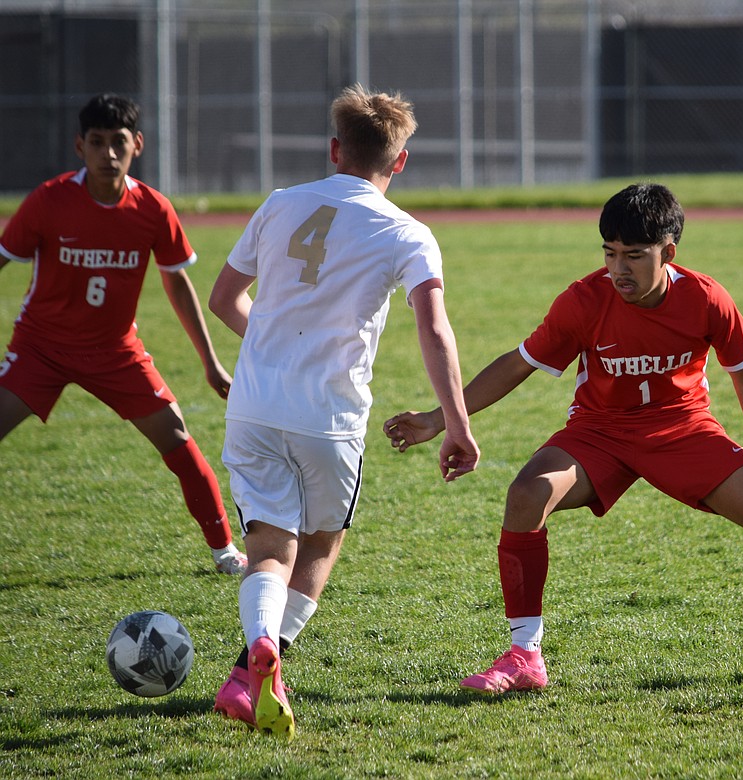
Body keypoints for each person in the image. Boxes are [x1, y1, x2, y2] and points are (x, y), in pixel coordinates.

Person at [385, 182, 743, 693]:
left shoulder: (705, 297)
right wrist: (439, 419)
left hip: (684, 431)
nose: (618, 269)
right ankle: (525, 656)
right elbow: (518, 364)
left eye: (633, 255)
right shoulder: (585, 300)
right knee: (526, 495)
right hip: (600, 433)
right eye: (610, 253)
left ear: (669, 252)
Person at [208, 84, 480, 738]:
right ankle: (253, 668)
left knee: (268, 547)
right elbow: (435, 331)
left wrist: (274, 350)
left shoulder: (279, 205)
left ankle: (254, 660)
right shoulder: (407, 233)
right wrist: (458, 425)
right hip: (328, 416)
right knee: (323, 543)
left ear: (334, 150)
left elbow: (223, 299)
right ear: (402, 161)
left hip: (253, 406)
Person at [0, 93, 247, 576]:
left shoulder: (153, 209)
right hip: (41, 350)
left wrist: (210, 361)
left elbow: (177, 282)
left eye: (118, 143)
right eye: (97, 142)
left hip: (116, 351)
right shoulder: (49, 201)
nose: (108, 154)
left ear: (138, 145)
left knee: (180, 442)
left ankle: (224, 552)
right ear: (79, 146)